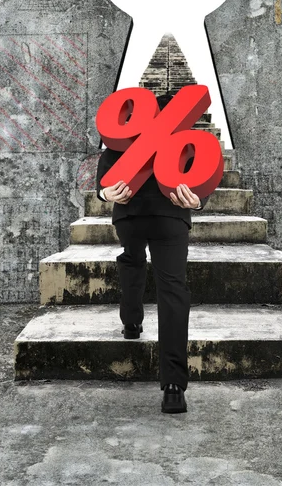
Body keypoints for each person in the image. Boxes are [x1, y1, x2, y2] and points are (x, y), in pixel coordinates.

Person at [95, 93, 211, 413]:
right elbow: (200, 181)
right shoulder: (185, 139)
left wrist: (106, 193)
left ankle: (131, 323)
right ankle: (173, 386)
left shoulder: (127, 135)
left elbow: (103, 176)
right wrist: (197, 202)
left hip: (131, 215)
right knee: (172, 288)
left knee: (132, 261)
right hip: (169, 218)